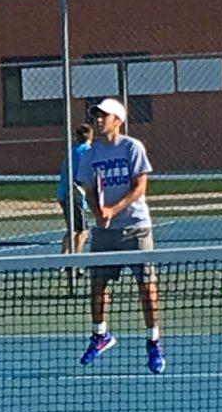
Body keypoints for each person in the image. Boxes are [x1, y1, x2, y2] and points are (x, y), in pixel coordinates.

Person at [75, 98, 164, 374]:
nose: (98, 120)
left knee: (147, 288)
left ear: (118, 120)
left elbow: (140, 187)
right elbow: (89, 190)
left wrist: (114, 208)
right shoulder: (90, 153)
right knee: (98, 285)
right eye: (95, 116)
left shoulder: (132, 147)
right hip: (105, 232)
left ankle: (153, 343)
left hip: (136, 227)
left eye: (103, 115)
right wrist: (98, 211)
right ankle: (100, 335)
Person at [56, 123, 94, 258]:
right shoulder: (87, 151)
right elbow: (84, 176)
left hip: (63, 193)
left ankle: (64, 259)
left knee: (72, 229)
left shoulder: (72, 150)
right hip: (75, 193)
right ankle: (76, 260)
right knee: (83, 230)